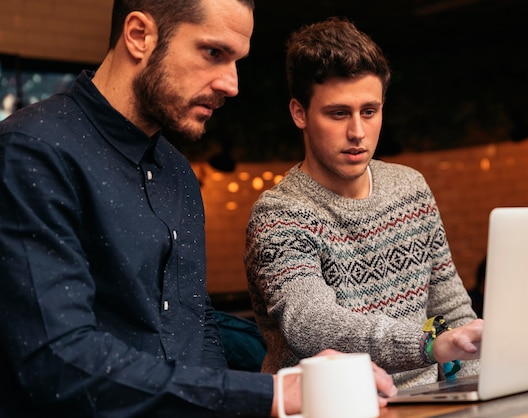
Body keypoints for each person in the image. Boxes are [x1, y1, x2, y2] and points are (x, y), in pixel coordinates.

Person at [0, 2, 397, 416]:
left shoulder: (178, 173)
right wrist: (275, 393)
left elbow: (197, 328)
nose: (232, 84)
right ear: (139, 35)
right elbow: (58, 361)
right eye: (213, 53)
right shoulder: (33, 151)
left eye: (236, 61)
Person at [245, 17, 483, 389]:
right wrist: (431, 345)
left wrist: (475, 396)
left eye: (369, 112)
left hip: (426, 404)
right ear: (299, 113)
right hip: (331, 407)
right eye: (338, 113)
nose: (357, 132)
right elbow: (313, 325)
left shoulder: (410, 187)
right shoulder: (279, 215)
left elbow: (451, 309)